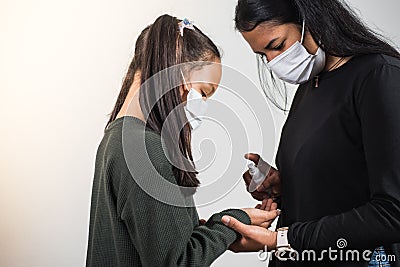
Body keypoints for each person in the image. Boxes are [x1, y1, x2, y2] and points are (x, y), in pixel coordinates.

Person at [85, 14, 279, 267]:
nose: (203, 105)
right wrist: (233, 220)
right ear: (178, 68)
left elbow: (164, 246)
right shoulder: (142, 149)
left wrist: (220, 228)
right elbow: (177, 262)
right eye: (204, 92)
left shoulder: (120, 137)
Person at [221, 0, 400, 266]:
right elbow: (341, 181)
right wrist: (284, 185)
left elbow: (392, 213)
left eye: (277, 46)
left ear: (310, 19)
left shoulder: (379, 76)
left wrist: (280, 240)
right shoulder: (310, 86)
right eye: (263, 55)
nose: (273, 62)